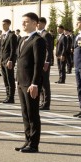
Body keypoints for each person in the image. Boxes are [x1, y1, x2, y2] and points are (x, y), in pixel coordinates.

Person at [15, 12, 47, 152]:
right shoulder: (22, 39)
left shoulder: (38, 40)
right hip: (21, 81)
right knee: (25, 113)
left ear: (35, 23)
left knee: (32, 113)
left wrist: (35, 83)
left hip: (31, 83)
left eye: (26, 22)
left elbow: (38, 64)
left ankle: (34, 143)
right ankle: (27, 139)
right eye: (22, 21)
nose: (23, 24)